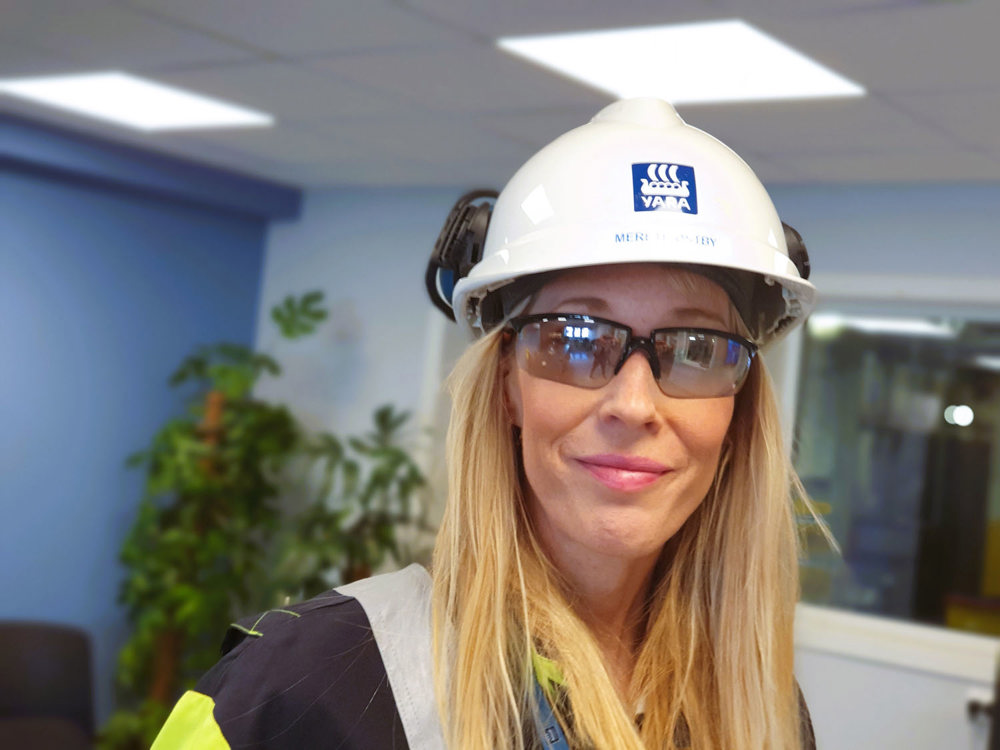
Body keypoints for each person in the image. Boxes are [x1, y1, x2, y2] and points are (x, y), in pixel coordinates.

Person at [152, 97, 819, 750]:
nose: (634, 405)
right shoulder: (306, 687)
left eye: (697, 349)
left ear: (737, 412)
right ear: (506, 385)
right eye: (574, 338)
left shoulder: (761, 708)